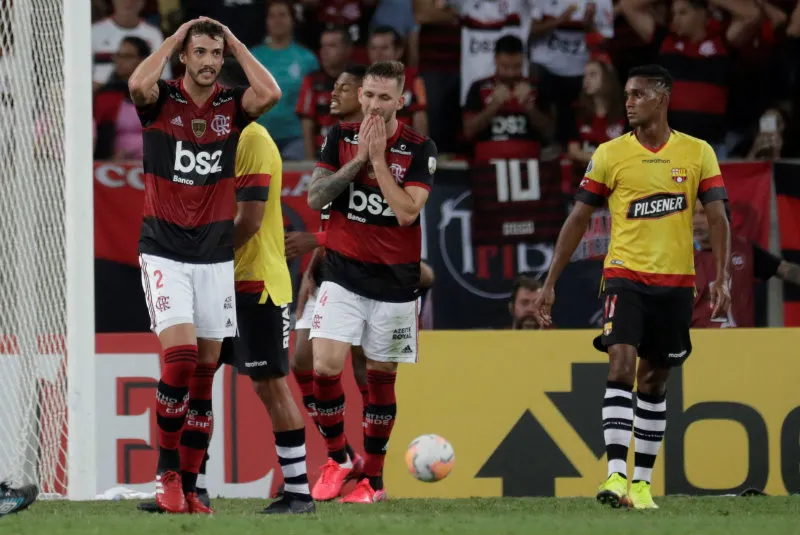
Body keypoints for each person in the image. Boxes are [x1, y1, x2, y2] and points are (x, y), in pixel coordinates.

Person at [532, 64, 731, 510]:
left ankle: (641, 484)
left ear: (662, 98)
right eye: (626, 94)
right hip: (625, 275)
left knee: (655, 380)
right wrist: (550, 283)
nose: (629, 102)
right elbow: (579, 217)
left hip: (677, 283)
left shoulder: (698, 153)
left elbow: (717, 216)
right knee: (620, 362)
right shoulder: (610, 154)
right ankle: (615, 475)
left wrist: (723, 275)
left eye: (638, 94)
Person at [128, 17, 281, 514]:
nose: (210, 62)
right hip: (164, 251)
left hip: (215, 258)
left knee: (204, 376)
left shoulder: (231, 106)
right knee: (181, 360)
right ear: (185, 56)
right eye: (201, 53)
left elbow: (271, 92)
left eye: (217, 54)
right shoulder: (160, 100)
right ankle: (166, 473)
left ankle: (191, 489)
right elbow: (136, 82)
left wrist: (237, 42)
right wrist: (172, 38)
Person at [305, 60, 437, 504]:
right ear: (359, 96)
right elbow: (316, 196)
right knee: (323, 365)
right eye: (369, 96)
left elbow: (406, 212)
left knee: (381, 381)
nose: (375, 106)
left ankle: (372, 482)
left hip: (396, 283)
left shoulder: (420, 148)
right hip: (342, 273)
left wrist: (378, 160)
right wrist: (359, 159)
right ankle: (339, 457)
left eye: (385, 98)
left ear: (400, 101)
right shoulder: (338, 138)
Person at [692, 202, 800, 328]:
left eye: (703, 213)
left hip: (742, 342)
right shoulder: (675, 257)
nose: (696, 221)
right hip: (698, 343)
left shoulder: (745, 250)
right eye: (692, 214)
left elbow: (786, 271)